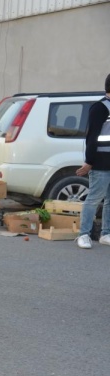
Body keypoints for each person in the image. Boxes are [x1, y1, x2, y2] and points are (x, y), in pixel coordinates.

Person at [75, 73, 110, 249]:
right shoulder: (99, 108)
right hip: (101, 162)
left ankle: (106, 234)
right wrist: (89, 162)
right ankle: (84, 235)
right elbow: (92, 136)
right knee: (94, 199)